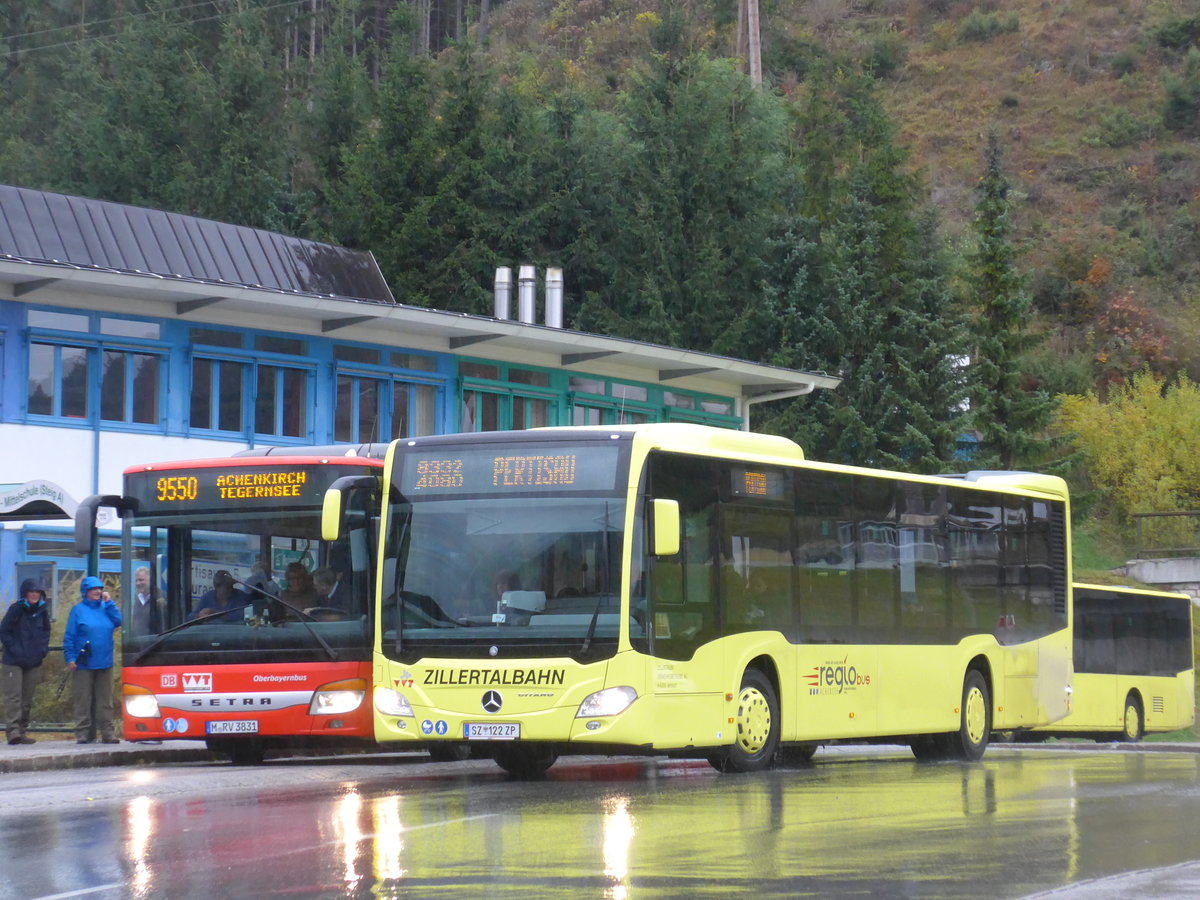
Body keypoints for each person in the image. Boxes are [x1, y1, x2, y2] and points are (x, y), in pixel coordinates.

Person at [64, 575, 122, 744]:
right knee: (83, 699)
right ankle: (83, 732)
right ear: (86, 591)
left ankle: (107, 732)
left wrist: (110, 603)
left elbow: (119, 621)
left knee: (105, 700)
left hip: (105, 661)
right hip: (83, 662)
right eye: (93, 589)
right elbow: (70, 636)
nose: (98, 591)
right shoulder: (78, 610)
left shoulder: (106, 608)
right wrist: (70, 658)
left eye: (100, 588)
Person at [1, 579, 52, 745]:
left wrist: (42, 651)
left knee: (27, 699)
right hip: (13, 661)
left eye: (37, 592)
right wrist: (15, 649)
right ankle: (13, 732)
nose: (35, 595)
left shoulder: (43, 610)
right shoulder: (16, 609)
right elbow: (4, 631)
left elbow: (46, 632)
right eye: (32, 592)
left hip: (33, 661)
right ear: (25, 593)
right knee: (14, 697)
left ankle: (22, 731)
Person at [130, 566, 163, 634]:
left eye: (141, 580)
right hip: (139, 643)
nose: (138, 583)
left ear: (151, 580)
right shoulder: (138, 600)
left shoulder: (161, 598)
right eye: (136, 580)